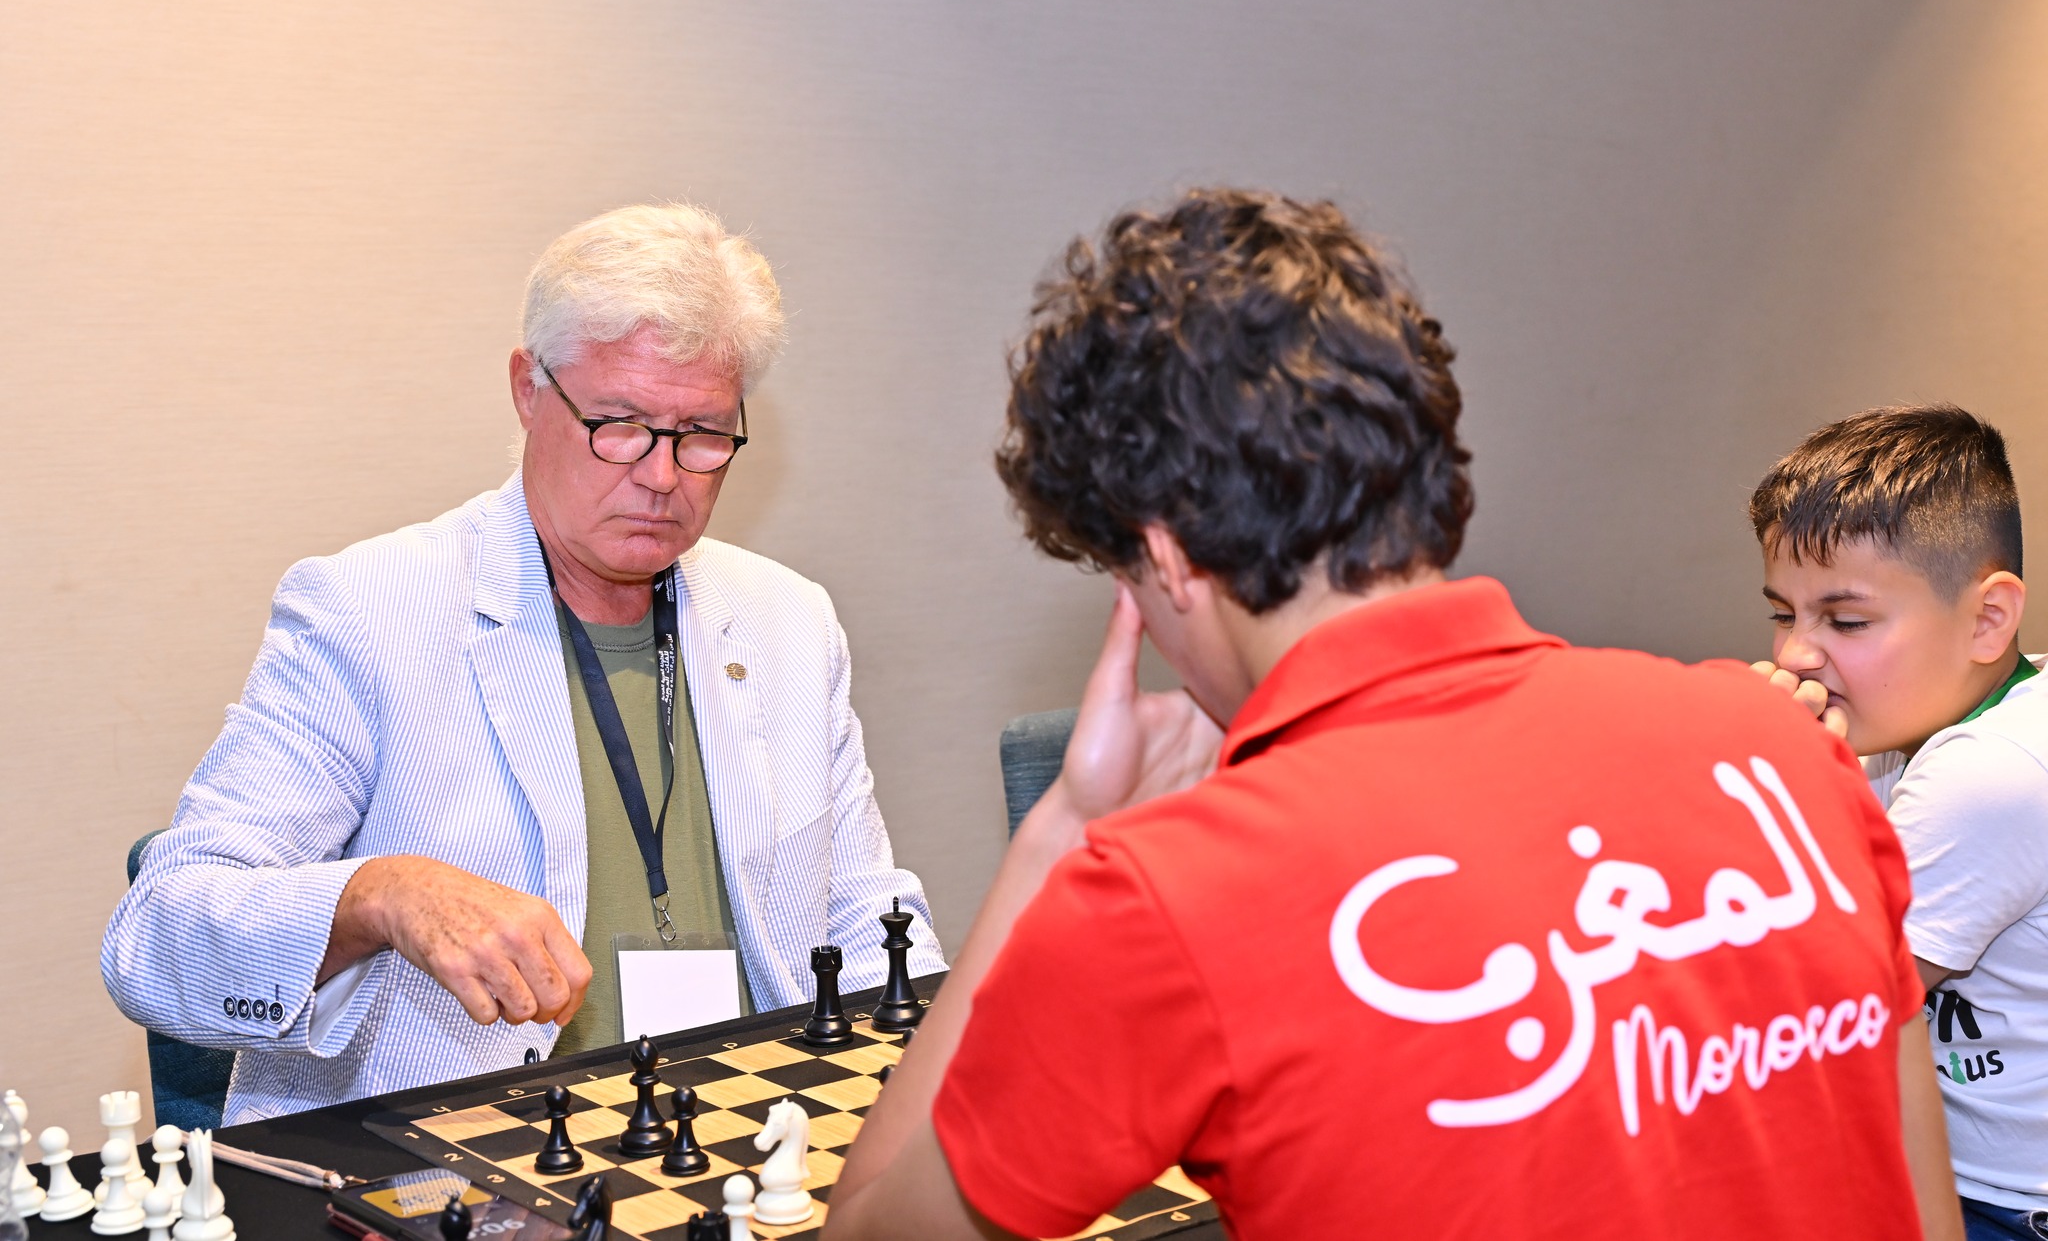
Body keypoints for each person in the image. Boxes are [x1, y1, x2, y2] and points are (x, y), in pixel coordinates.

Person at [824, 188, 1959, 1240]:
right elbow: (1920, 1207)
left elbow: (870, 1227)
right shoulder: (1784, 755)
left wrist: (1066, 833)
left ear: (1163, 561)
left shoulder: (1166, 894)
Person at [102, 203, 942, 1123]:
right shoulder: (371, 610)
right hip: (463, 1155)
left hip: (750, 1140)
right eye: (619, 424)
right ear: (528, 390)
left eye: (702, 433)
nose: (662, 475)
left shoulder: (789, 619)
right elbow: (158, 936)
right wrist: (380, 893)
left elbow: (865, 921)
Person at [1748, 405, 2047, 1238]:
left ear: (1988, 619)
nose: (1795, 654)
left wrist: (1760, 783)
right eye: (1783, 613)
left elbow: (1806, 1014)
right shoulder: (1921, 722)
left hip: (2004, 1206)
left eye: (1846, 620)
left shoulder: (1985, 771)